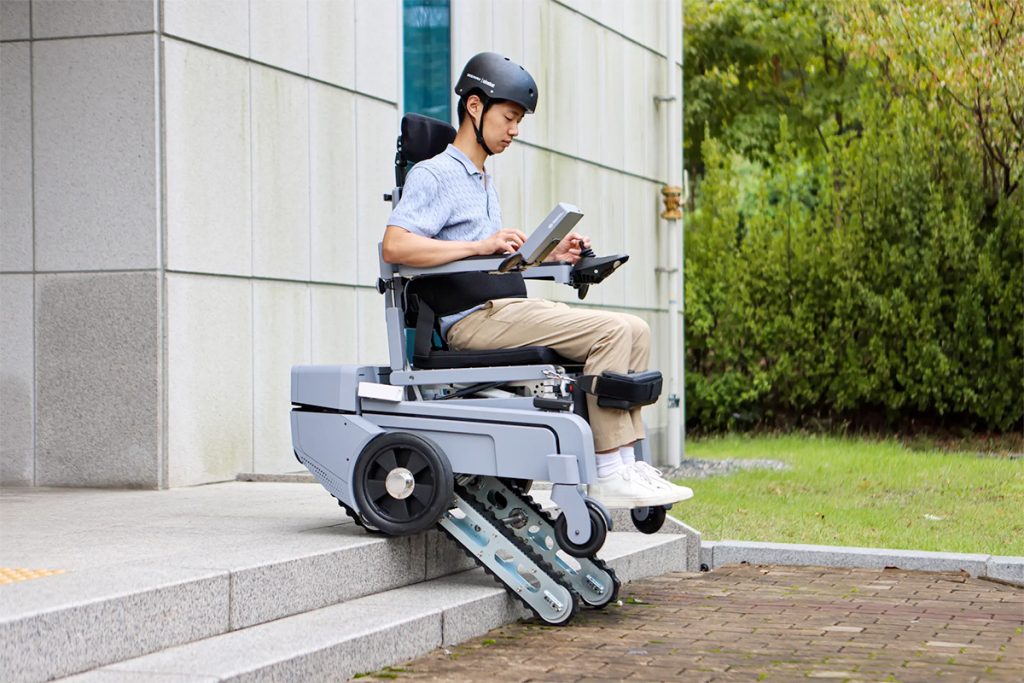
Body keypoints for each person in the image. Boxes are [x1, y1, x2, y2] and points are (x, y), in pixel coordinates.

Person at [382, 52, 691, 509]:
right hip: (471, 322)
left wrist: (548, 255)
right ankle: (608, 471)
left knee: (635, 329)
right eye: (508, 118)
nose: (514, 131)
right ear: (474, 107)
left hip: (506, 309)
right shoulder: (435, 174)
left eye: (518, 121)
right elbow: (395, 247)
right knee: (609, 332)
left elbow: (491, 262)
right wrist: (479, 245)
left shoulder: (483, 180)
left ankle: (628, 461)